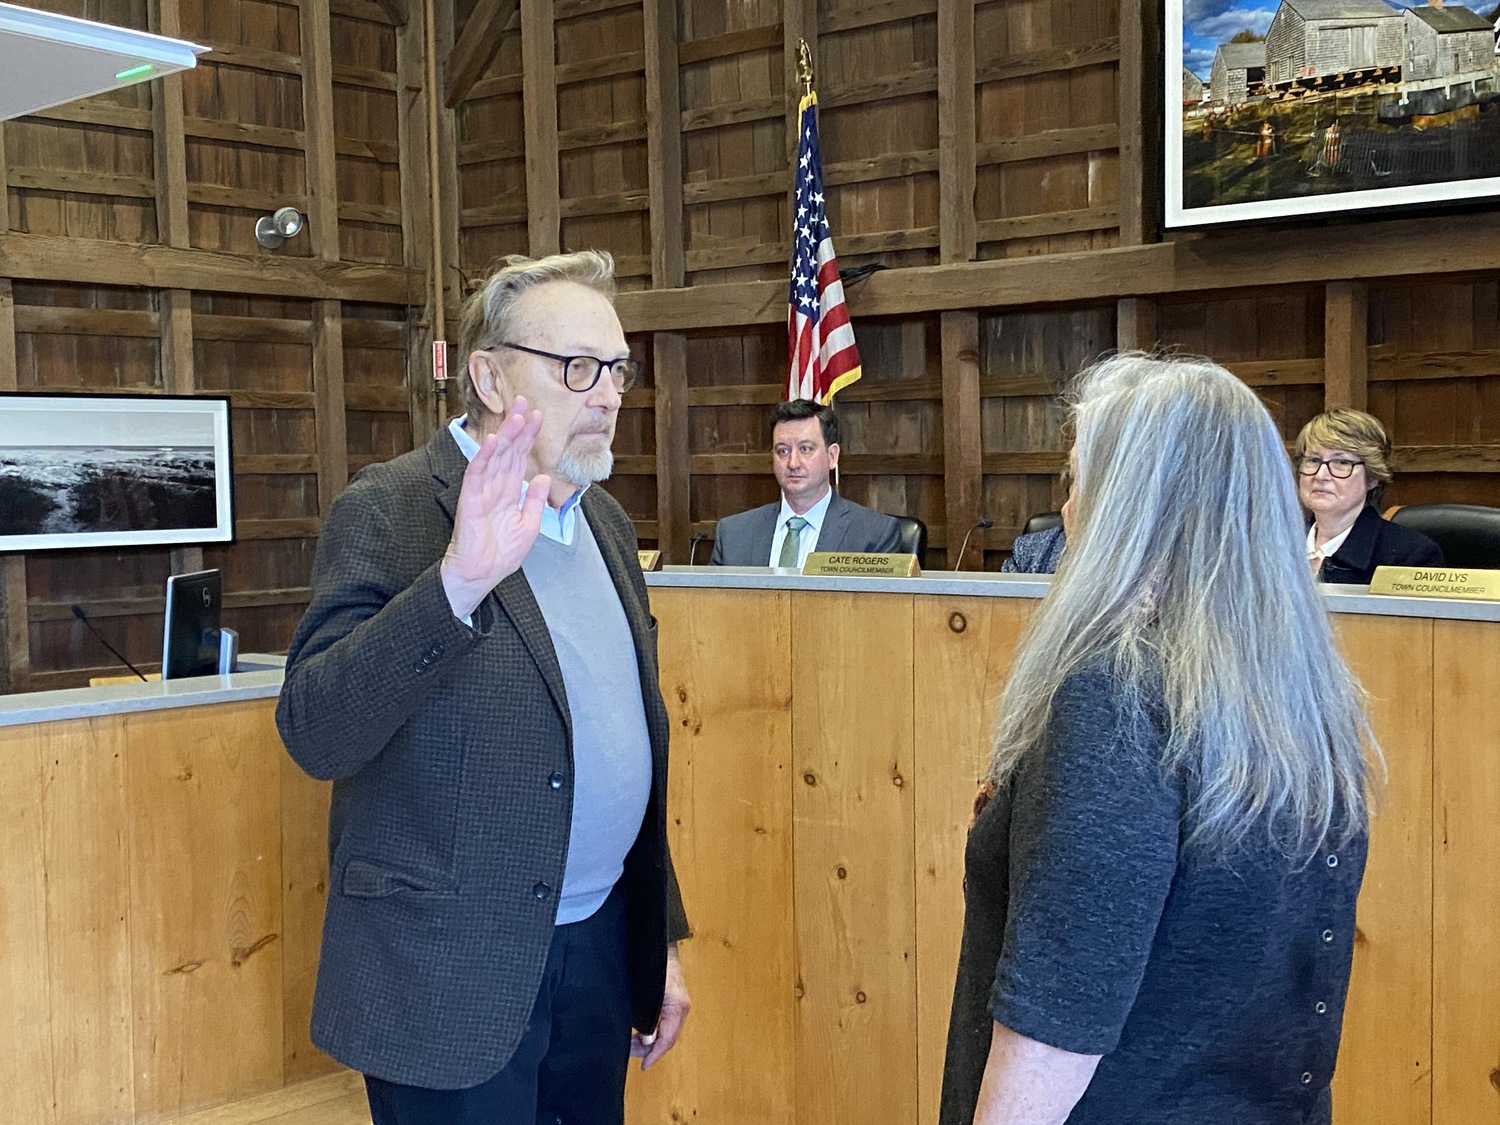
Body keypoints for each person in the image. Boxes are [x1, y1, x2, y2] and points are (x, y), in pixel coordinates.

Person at [276, 250, 690, 1125]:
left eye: (618, 368)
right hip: (447, 975)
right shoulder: (388, 510)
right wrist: (456, 584)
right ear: (490, 376)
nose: (609, 394)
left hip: (599, 954)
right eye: (578, 367)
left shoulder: (606, 522)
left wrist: (659, 941)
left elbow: (622, 754)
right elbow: (315, 729)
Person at [941, 354, 1374, 1125]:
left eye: (1080, 483)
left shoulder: (1118, 694)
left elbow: (1055, 1027)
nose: (1066, 511)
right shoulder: (1309, 699)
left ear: (1132, 506)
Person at [710, 398, 901, 566]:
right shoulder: (733, 534)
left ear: (832, 456)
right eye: (783, 451)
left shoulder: (875, 535)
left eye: (806, 449)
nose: (793, 463)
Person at [1295, 407, 1442, 584]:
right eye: (1313, 460)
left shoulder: (1412, 557)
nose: (1320, 476)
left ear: (1372, 478)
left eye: (1341, 462)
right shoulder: (1273, 543)